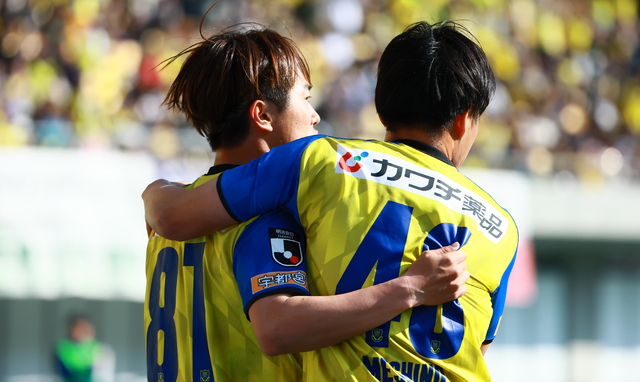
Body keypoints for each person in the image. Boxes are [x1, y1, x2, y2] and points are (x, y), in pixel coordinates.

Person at [143, 20, 519, 381]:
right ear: (464, 120)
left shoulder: (172, 224)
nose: (315, 115)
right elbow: (279, 326)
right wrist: (410, 288)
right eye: (306, 98)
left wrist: (154, 191)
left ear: (382, 111)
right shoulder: (501, 228)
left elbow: (171, 215)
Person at [54, 315, 115, 382]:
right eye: (79, 328)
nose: (83, 331)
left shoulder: (102, 349)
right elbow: (69, 369)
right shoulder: (64, 347)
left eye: (86, 328)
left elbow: (103, 374)